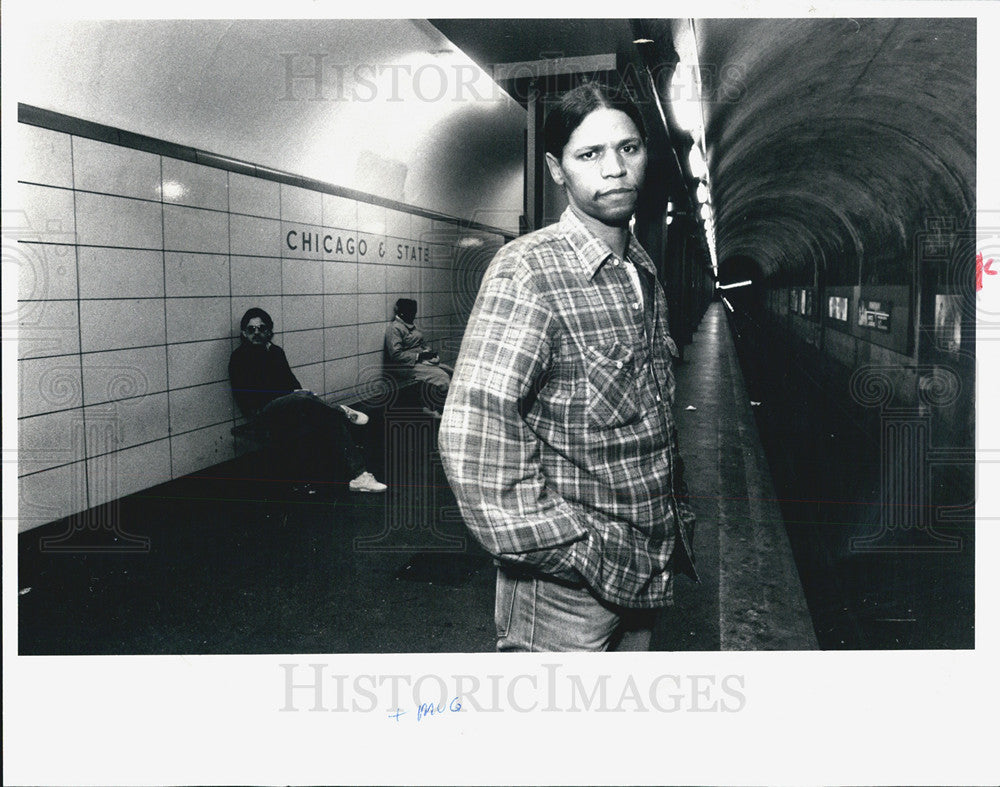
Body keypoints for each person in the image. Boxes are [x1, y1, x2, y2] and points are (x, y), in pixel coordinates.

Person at [438, 82, 697, 652]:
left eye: (628, 149)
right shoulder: (528, 270)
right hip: (566, 593)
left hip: (646, 567)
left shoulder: (641, 269)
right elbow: (475, 439)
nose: (614, 170)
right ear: (557, 170)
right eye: (590, 155)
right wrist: (577, 550)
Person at [229, 307, 386, 493]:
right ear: (243, 334)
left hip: (288, 405)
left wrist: (295, 396)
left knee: (324, 413)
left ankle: (360, 476)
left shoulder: (276, 353)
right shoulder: (239, 358)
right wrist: (289, 396)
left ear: (269, 331)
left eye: (261, 328)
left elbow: (292, 383)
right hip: (261, 412)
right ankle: (341, 410)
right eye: (251, 329)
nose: (256, 333)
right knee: (306, 398)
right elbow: (248, 398)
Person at [383, 298, 452, 413]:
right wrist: (419, 357)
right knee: (443, 378)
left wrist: (429, 353)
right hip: (405, 366)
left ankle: (433, 406)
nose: (414, 316)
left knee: (451, 372)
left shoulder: (411, 325)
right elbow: (396, 355)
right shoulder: (394, 328)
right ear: (402, 313)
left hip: (420, 362)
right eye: (412, 313)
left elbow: (422, 343)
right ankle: (439, 410)